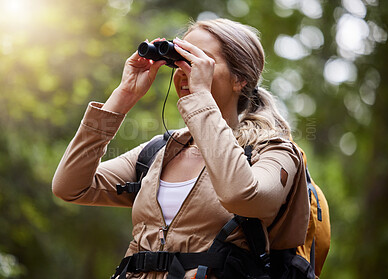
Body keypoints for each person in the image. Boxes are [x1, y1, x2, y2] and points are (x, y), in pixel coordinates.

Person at [52, 18, 310, 279]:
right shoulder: (160, 152)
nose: (186, 71)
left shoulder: (273, 151)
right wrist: (123, 96)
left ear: (240, 79)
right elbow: (70, 186)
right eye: (180, 60)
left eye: (200, 62)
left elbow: (240, 196)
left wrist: (200, 98)